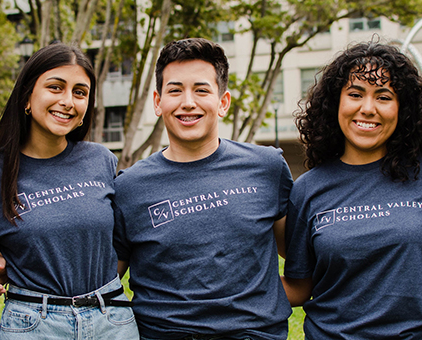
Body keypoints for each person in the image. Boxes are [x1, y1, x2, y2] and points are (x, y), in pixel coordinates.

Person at [112, 38, 293, 340]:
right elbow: (102, 279)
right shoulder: (129, 186)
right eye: (175, 90)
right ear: (158, 102)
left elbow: (305, 258)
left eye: (201, 90)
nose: (187, 102)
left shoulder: (267, 167)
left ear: (223, 102)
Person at [0, 43, 138, 340]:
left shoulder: (101, 160)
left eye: (79, 92)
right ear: (27, 96)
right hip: (35, 324)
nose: (67, 101)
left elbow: (116, 242)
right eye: (55, 87)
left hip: (111, 320)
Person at [282, 42, 422, 339]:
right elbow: (300, 287)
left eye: (384, 97)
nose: (367, 109)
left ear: (402, 109)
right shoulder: (307, 189)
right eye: (355, 94)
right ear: (336, 103)